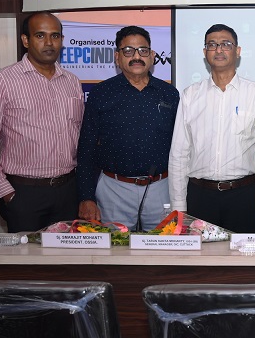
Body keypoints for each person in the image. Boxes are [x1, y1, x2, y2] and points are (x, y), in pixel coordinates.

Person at [0, 11, 83, 232]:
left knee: (67, 255)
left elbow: (80, 135)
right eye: (40, 35)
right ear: (25, 40)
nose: (49, 42)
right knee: (27, 255)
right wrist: (6, 192)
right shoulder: (0, 82)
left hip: (68, 192)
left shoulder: (72, 82)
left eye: (55, 36)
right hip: (24, 194)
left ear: (62, 40)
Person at [168, 24, 255, 232]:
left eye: (226, 44)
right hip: (200, 197)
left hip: (244, 196)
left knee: (244, 252)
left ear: (237, 51)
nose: (219, 50)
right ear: (205, 52)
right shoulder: (190, 95)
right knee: (201, 254)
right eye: (212, 45)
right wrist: (179, 208)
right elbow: (179, 154)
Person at [76, 25, 179, 231]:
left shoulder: (169, 94)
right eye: (128, 51)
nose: (136, 57)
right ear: (117, 57)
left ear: (152, 56)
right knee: (115, 248)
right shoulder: (101, 93)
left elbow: (181, 147)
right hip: (114, 190)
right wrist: (86, 196)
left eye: (143, 50)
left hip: (161, 189)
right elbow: (86, 148)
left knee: (164, 246)